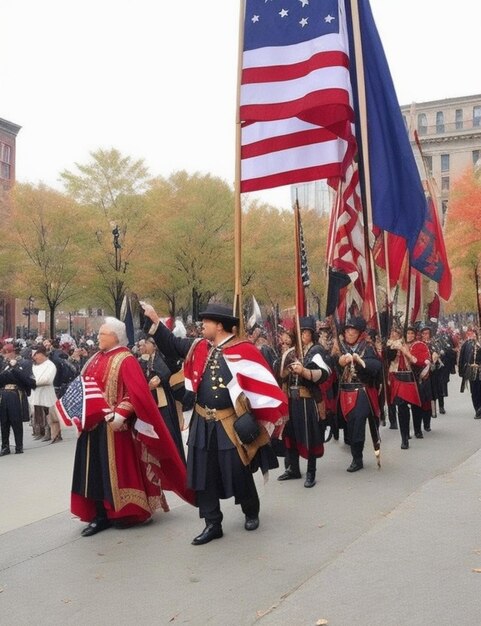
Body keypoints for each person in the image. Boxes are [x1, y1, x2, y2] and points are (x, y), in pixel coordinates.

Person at [142, 302, 287, 545]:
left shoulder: (244, 349)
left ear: (219, 325)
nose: (202, 326)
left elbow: (261, 384)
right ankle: (212, 522)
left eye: (206, 323)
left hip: (227, 422)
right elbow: (173, 345)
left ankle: (250, 510)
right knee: (203, 475)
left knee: (237, 471)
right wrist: (155, 321)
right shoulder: (199, 347)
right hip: (202, 421)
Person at [68, 317, 193, 537]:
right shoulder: (96, 358)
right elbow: (83, 387)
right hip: (91, 426)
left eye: (102, 334)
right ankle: (99, 514)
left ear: (115, 337)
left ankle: (120, 512)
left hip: (115, 429)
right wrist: (78, 415)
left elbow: (136, 393)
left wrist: (120, 414)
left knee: (113, 472)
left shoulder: (126, 359)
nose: (98, 337)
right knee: (93, 472)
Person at [277, 316, 331, 488]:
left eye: (305, 332)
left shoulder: (316, 351)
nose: (302, 335)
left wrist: (304, 371)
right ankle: (293, 468)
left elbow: (323, 373)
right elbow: (280, 373)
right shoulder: (293, 351)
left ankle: (311, 472)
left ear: (311, 334)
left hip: (307, 400)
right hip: (291, 400)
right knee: (290, 435)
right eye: (300, 332)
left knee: (309, 435)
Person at [334, 317, 382, 472]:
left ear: (359, 333)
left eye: (352, 331)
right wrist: (338, 360)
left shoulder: (367, 347)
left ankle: (357, 458)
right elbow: (331, 365)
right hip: (345, 390)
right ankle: (355, 453)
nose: (349, 334)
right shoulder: (339, 347)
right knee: (350, 423)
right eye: (347, 331)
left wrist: (360, 361)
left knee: (358, 421)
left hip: (362, 390)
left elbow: (376, 366)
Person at [137, 336, 186, 463]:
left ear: (154, 345)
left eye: (147, 343)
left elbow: (169, 370)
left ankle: (173, 459)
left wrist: (160, 377)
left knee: (167, 429)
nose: (144, 346)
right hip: (151, 399)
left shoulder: (163, 358)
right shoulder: (144, 360)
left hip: (163, 399)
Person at [385, 325, 424, 450]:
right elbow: (388, 357)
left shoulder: (410, 346)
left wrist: (404, 350)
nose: (394, 334)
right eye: (392, 332)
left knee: (415, 406)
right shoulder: (389, 345)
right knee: (402, 409)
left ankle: (416, 429)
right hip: (396, 378)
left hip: (409, 378)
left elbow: (415, 361)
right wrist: (392, 347)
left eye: (396, 332)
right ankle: (404, 437)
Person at [0, 344, 35, 456]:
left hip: (16, 393)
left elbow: (30, 382)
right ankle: (5, 446)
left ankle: (19, 445)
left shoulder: (24, 363)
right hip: (4, 394)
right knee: (4, 421)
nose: (5, 355)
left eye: (7, 352)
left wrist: (15, 369)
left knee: (16, 421)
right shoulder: (3, 364)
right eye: (4, 352)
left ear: (13, 352)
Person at [31, 344, 59, 442]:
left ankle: (54, 434)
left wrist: (33, 382)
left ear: (41, 354)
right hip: (37, 394)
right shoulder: (35, 366)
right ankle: (41, 431)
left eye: (36, 355)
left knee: (50, 414)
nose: (34, 357)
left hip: (47, 393)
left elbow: (48, 380)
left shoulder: (50, 365)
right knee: (38, 413)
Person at [458, 326, 481, 418]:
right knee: (474, 391)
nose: (473, 335)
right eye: (471, 333)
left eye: (474, 333)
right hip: (471, 371)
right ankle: (477, 409)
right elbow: (462, 358)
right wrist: (461, 372)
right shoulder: (466, 344)